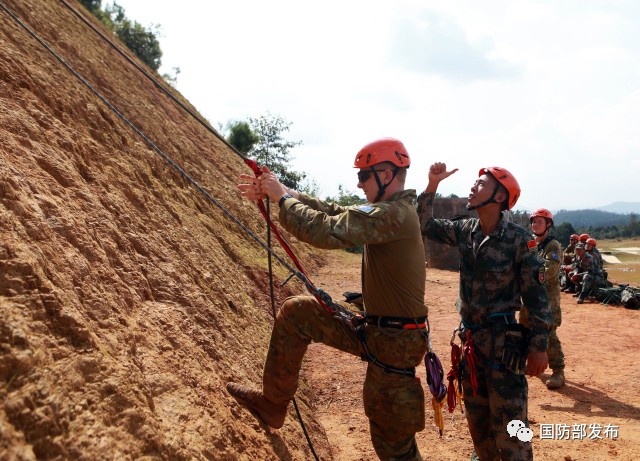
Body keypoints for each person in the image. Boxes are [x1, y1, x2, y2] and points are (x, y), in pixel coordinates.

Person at [228, 138, 430, 461]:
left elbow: (327, 230)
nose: (359, 183)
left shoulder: (395, 214)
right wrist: (284, 193)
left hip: (395, 342)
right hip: (380, 331)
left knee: (393, 445)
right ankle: (272, 405)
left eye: (364, 176)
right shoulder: (387, 211)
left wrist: (281, 199)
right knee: (298, 314)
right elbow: (336, 211)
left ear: (387, 175)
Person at [417, 163, 551, 461]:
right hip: (471, 345)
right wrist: (431, 185)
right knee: (479, 428)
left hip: (505, 346)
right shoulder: (466, 230)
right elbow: (424, 224)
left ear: (500, 196)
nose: (472, 187)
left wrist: (540, 348)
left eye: (480, 184)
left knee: (512, 429)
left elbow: (537, 298)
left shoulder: (520, 240)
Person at [520, 209, 566, 389]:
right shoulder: (532, 244)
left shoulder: (552, 245)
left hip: (547, 299)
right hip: (530, 297)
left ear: (548, 225)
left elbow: (549, 270)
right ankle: (530, 364)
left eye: (540, 222)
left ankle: (558, 371)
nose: (535, 225)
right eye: (533, 222)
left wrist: (526, 276)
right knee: (524, 330)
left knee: (548, 334)